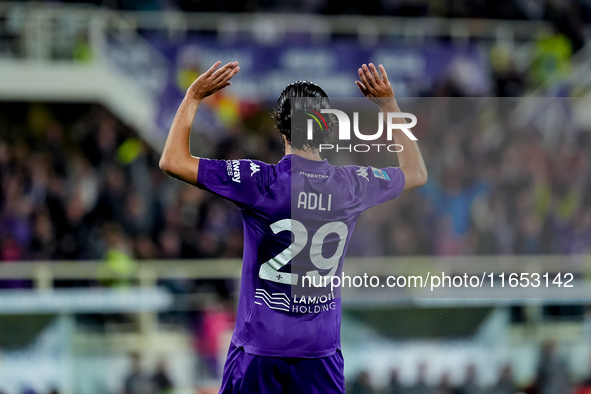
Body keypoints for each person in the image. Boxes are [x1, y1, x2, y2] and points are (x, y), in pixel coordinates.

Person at [159, 60, 427, 393]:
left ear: (282, 130)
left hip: (259, 348)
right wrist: (388, 105)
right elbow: (416, 172)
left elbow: (172, 161)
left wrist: (193, 97)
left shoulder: (260, 181)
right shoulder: (352, 184)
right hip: (319, 350)